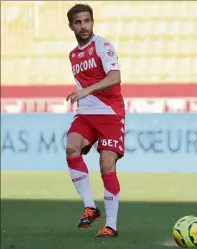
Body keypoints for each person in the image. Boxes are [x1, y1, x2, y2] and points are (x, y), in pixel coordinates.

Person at [65, 4, 125, 238]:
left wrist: (86, 91)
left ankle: (111, 225)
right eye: (78, 22)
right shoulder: (73, 55)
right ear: (71, 26)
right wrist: (83, 94)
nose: (84, 26)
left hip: (110, 113)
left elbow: (115, 76)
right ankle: (90, 206)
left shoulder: (103, 45)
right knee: (71, 148)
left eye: (87, 21)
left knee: (106, 165)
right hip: (87, 112)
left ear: (92, 22)